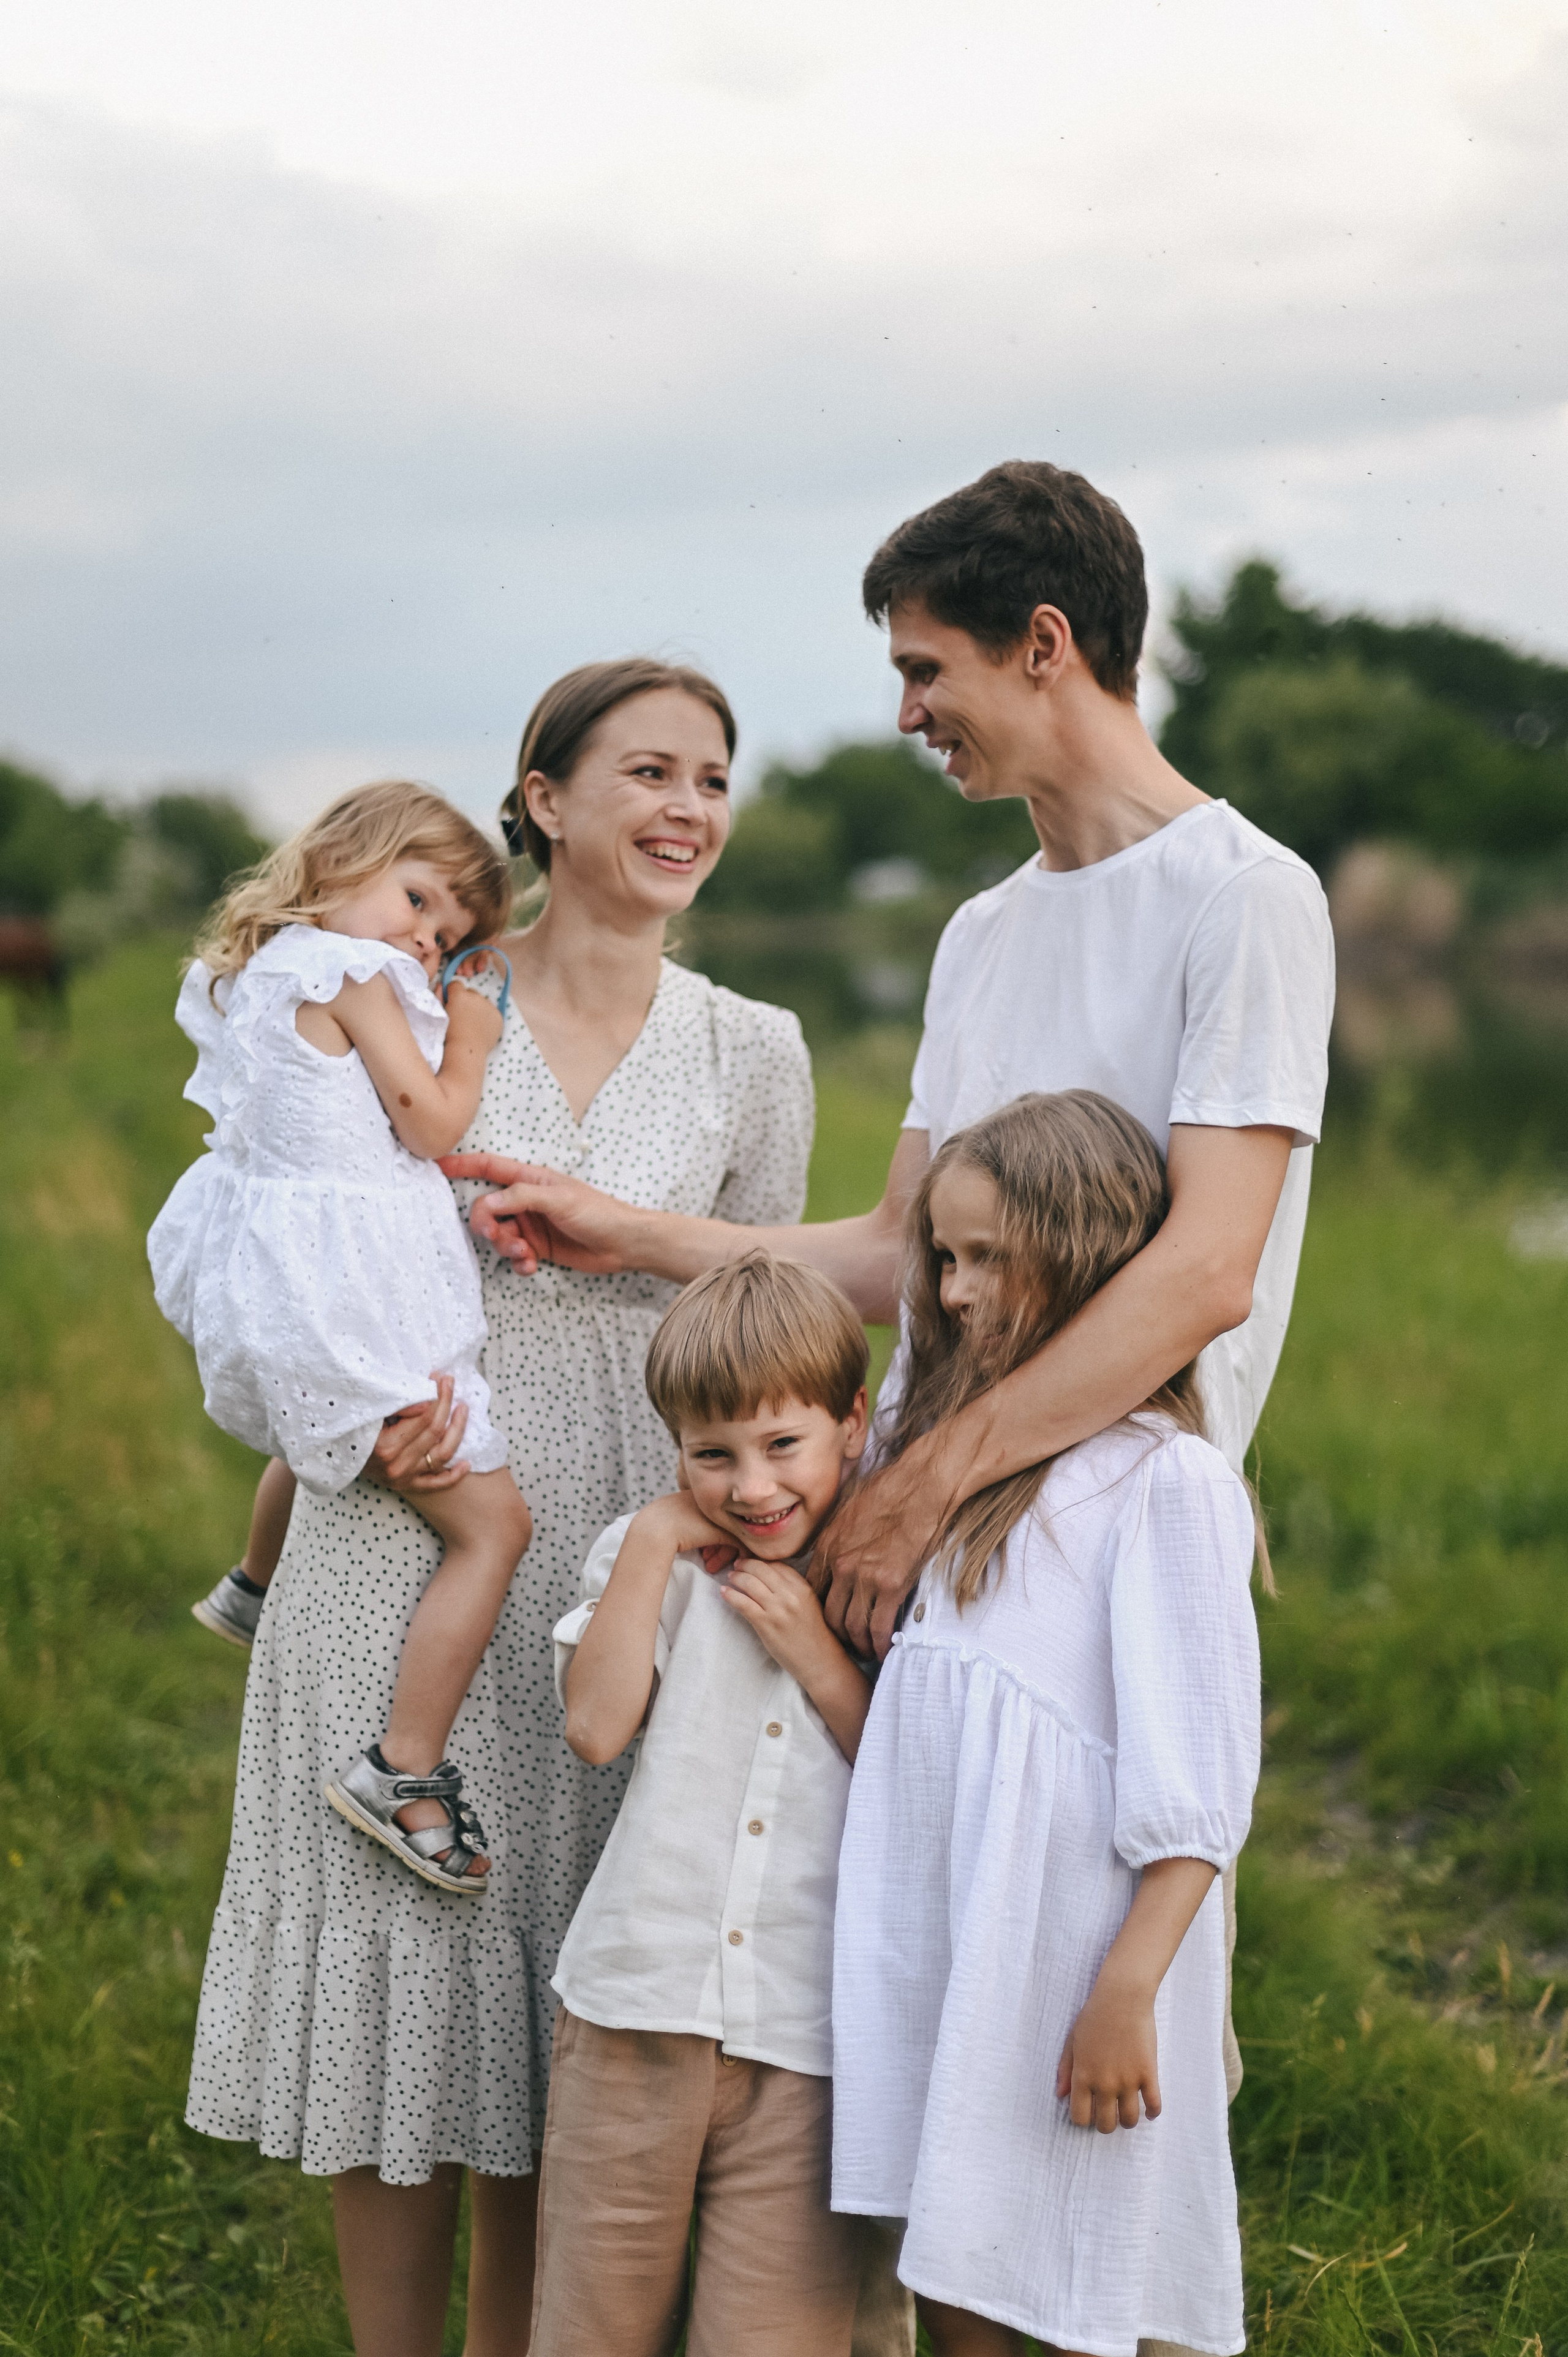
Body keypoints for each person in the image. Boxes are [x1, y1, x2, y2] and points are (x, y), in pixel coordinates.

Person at [446, 459, 1335, 2142]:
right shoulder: (986, 933)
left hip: (1096, 1545)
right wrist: (625, 1232)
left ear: (1046, 645)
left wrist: (922, 1483)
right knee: (939, 2037)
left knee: (1110, 2053)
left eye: (928, 667)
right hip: (930, 1555)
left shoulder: (1247, 896)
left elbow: (1209, 1269)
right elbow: (894, 1255)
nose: (909, 709)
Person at [182, 660, 816, 2357]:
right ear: (541, 798)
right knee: (407, 1983)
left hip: (632, 1549)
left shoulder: (757, 1052)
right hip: (414, 1522)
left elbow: (779, 1353)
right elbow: (254, 1221)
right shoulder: (401, 986)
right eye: (648, 772)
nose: (689, 808)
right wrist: (326, 1404)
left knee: (577, 2006)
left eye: (713, 778)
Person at [832, 1091, 1262, 2356]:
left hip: (1073, 1961)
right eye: (944, 1259)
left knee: (1081, 2266)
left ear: (1082, 1253)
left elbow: (1196, 1773)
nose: (954, 1294)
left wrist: (1128, 1982)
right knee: (958, 2250)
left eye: (988, 1260)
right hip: (956, 1946)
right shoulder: (948, 1471)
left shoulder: (1159, 1480)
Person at [148, 781, 532, 1888]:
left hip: (285, 1284)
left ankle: (252, 1582)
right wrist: (472, 1033)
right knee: (494, 1528)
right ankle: (402, 1769)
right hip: (343, 1293)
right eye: (419, 901)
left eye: (446, 937)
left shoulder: (249, 974)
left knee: (307, 1416)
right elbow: (432, 1123)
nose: (425, 939)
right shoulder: (353, 973)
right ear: (344, 858)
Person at [532, 1251, 876, 2356]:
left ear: (853, 1424)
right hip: (640, 2005)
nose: (751, 1486)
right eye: (711, 1455)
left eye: (784, 1445)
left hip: (804, 2036)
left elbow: (912, 1780)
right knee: (593, 2330)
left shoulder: (884, 1578)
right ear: (676, 1449)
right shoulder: (661, 1565)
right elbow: (594, 1730)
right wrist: (648, 1541)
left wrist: (819, 1656)